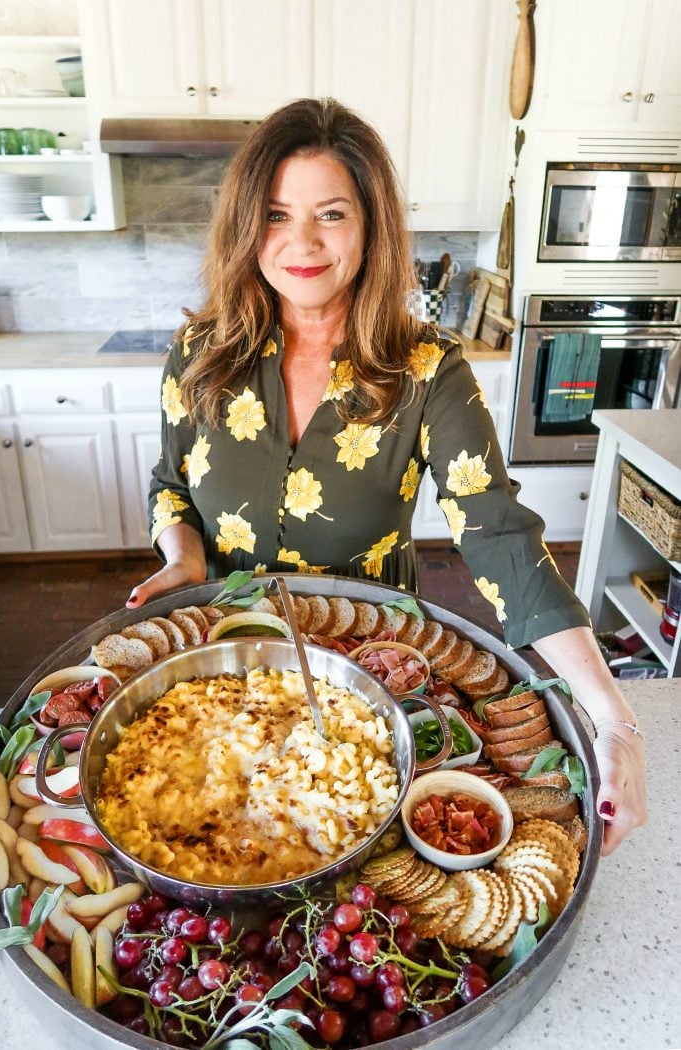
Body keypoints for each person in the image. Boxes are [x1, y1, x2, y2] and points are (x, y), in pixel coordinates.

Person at [125, 97, 647, 856]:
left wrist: (614, 720)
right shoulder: (200, 352)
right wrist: (184, 555)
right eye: (275, 214)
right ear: (246, 226)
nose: (301, 241)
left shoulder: (428, 370)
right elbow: (169, 483)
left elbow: (498, 535)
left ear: (370, 228)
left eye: (330, 214)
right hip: (224, 662)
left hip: (373, 673)